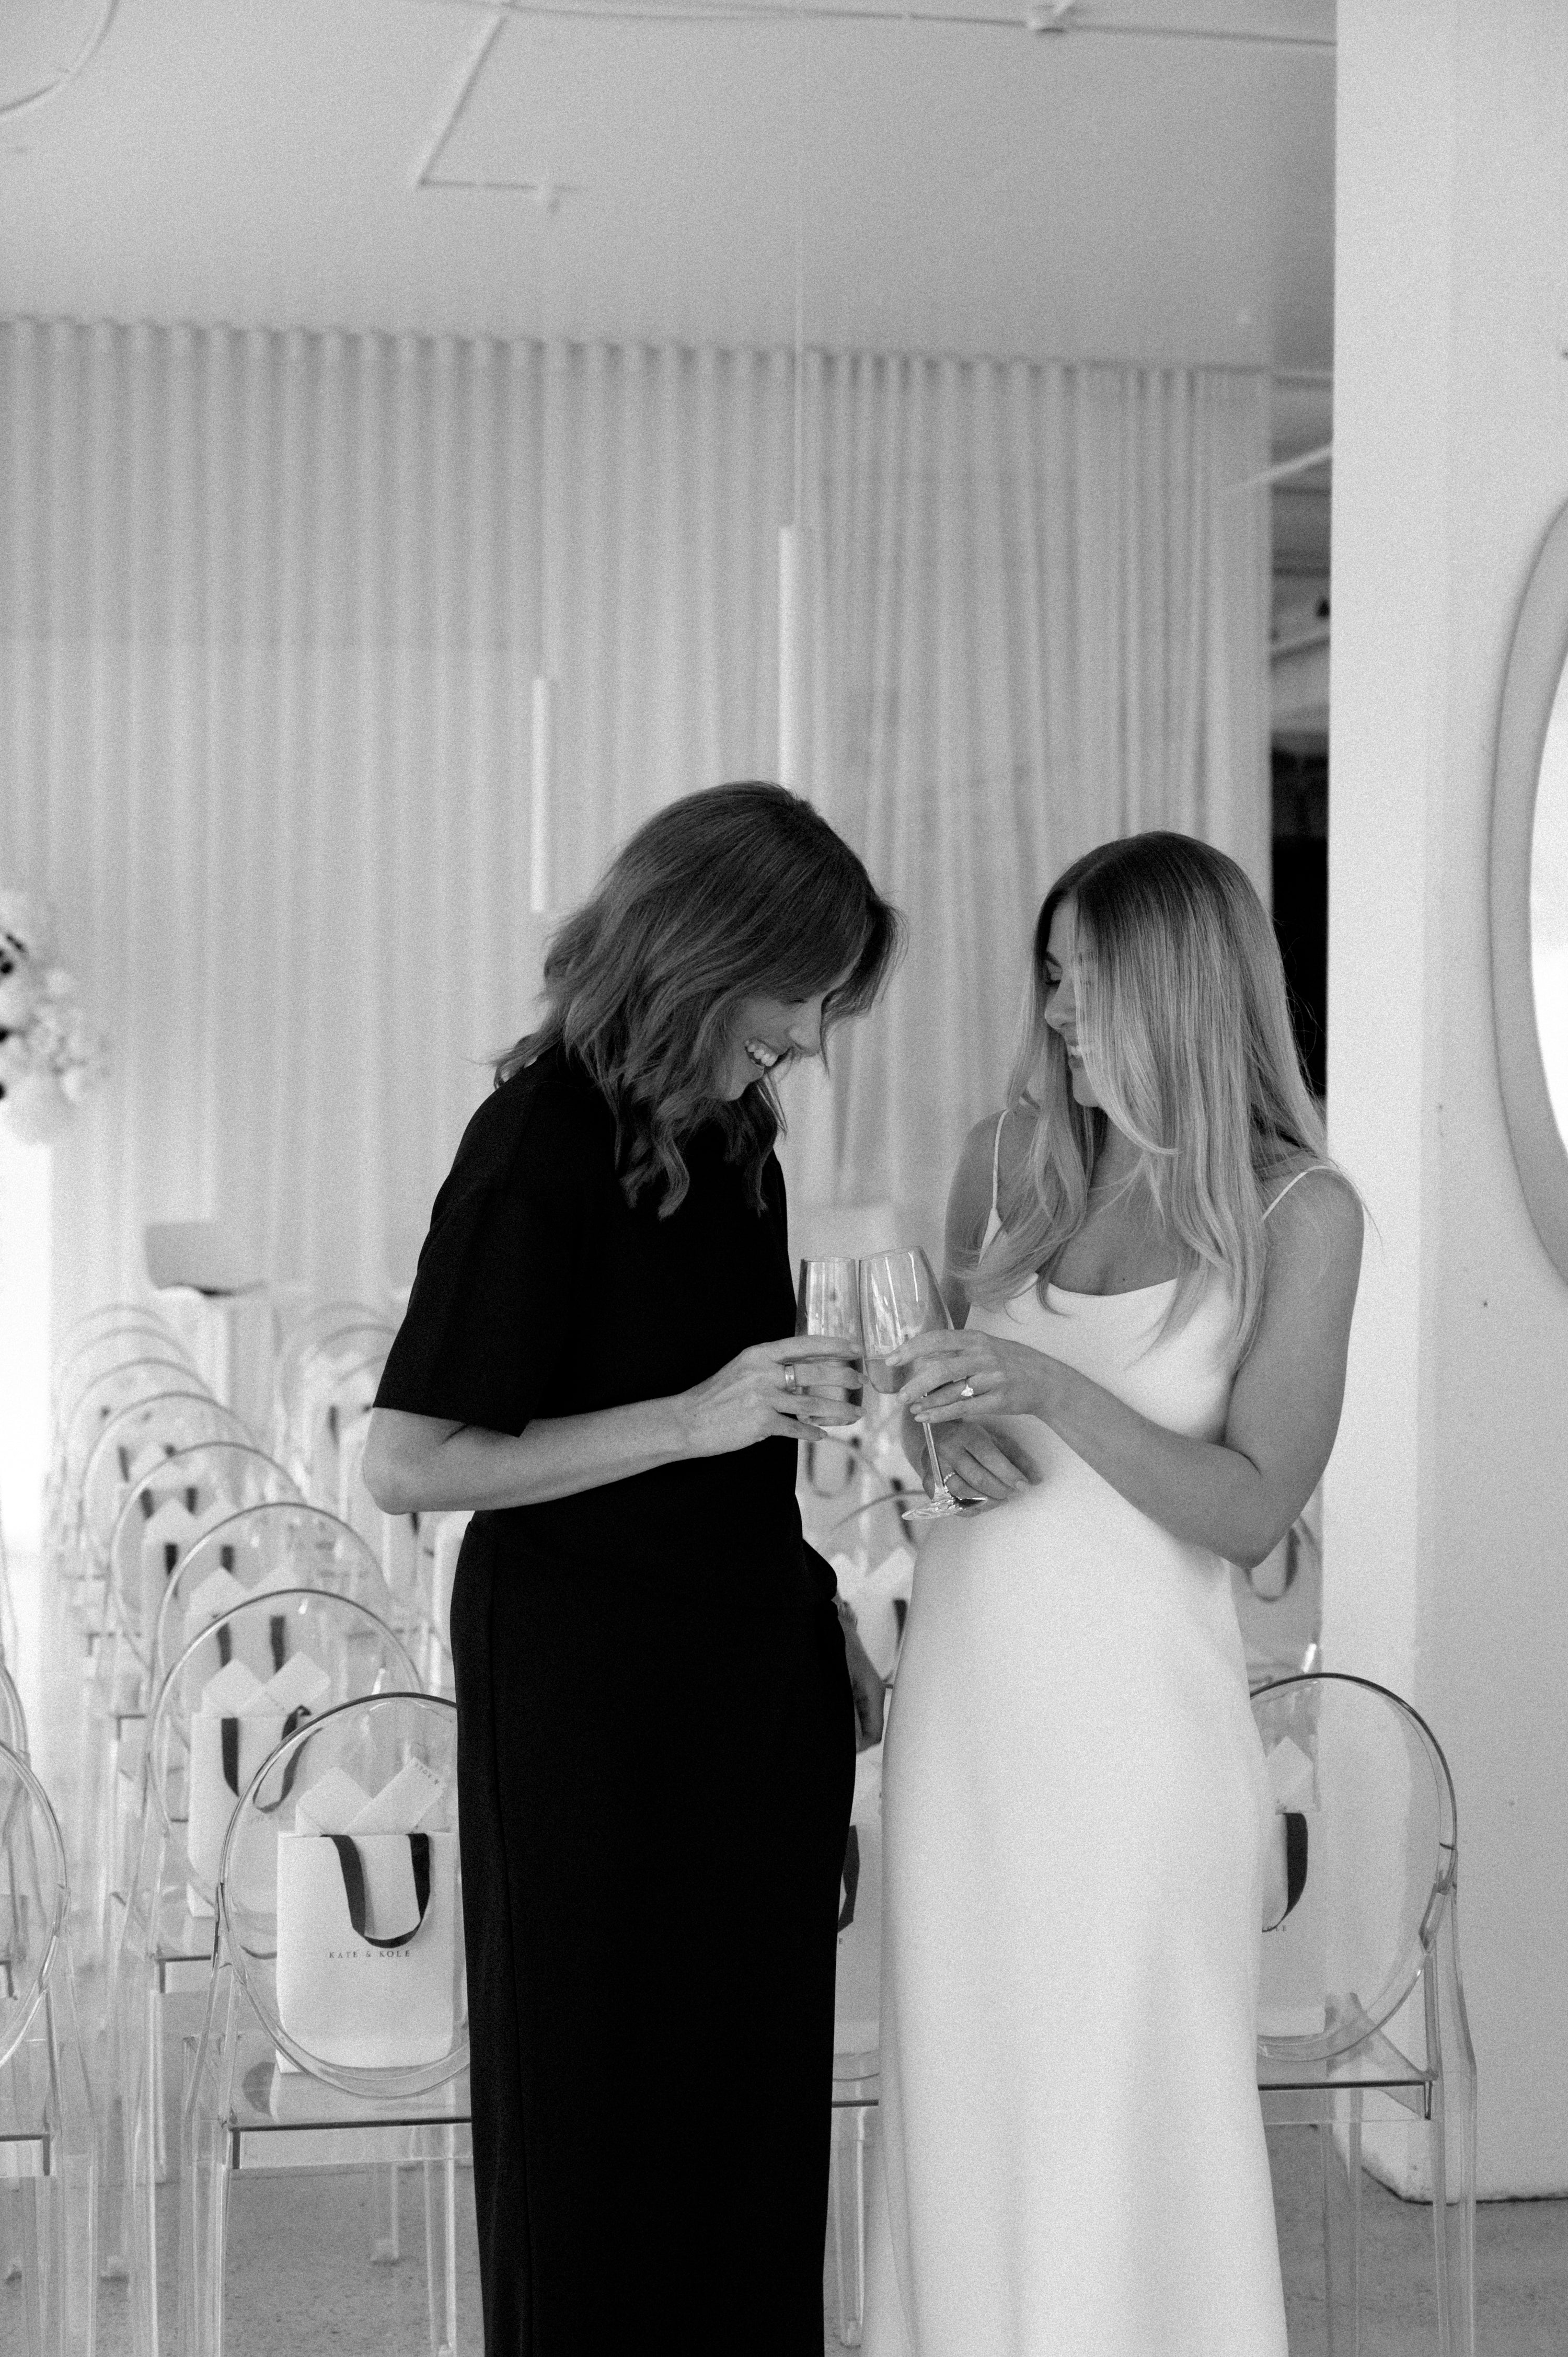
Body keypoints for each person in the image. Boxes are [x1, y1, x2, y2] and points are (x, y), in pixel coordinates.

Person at [363, 783, 901, 2355]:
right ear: (706, 949)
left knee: (748, 2125)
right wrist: (695, 1417)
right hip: (588, 1705)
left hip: (749, 1685)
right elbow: (410, 1460)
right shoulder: (537, 1135)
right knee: (594, 2130)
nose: (807, 1037)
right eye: (798, 995)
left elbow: (733, 1438)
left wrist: (805, 1603)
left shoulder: (736, 1135)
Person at [860, 830, 1363, 2357]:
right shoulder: (1006, 1166)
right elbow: (940, 1436)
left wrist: (1053, 1395)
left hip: (1142, 1738)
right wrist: (921, 1426)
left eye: (1095, 977)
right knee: (964, 2089)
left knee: (1132, 2096)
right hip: (967, 1715)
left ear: (1186, 992)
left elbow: (1255, 1505)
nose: (1064, 1010)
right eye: (1054, 974)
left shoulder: (1298, 1214)